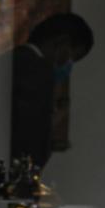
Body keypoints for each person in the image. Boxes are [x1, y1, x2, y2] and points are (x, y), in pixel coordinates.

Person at [11, 13, 93, 168]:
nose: (68, 65)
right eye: (72, 57)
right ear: (62, 42)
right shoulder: (38, 70)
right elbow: (30, 139)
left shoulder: (14, 59)